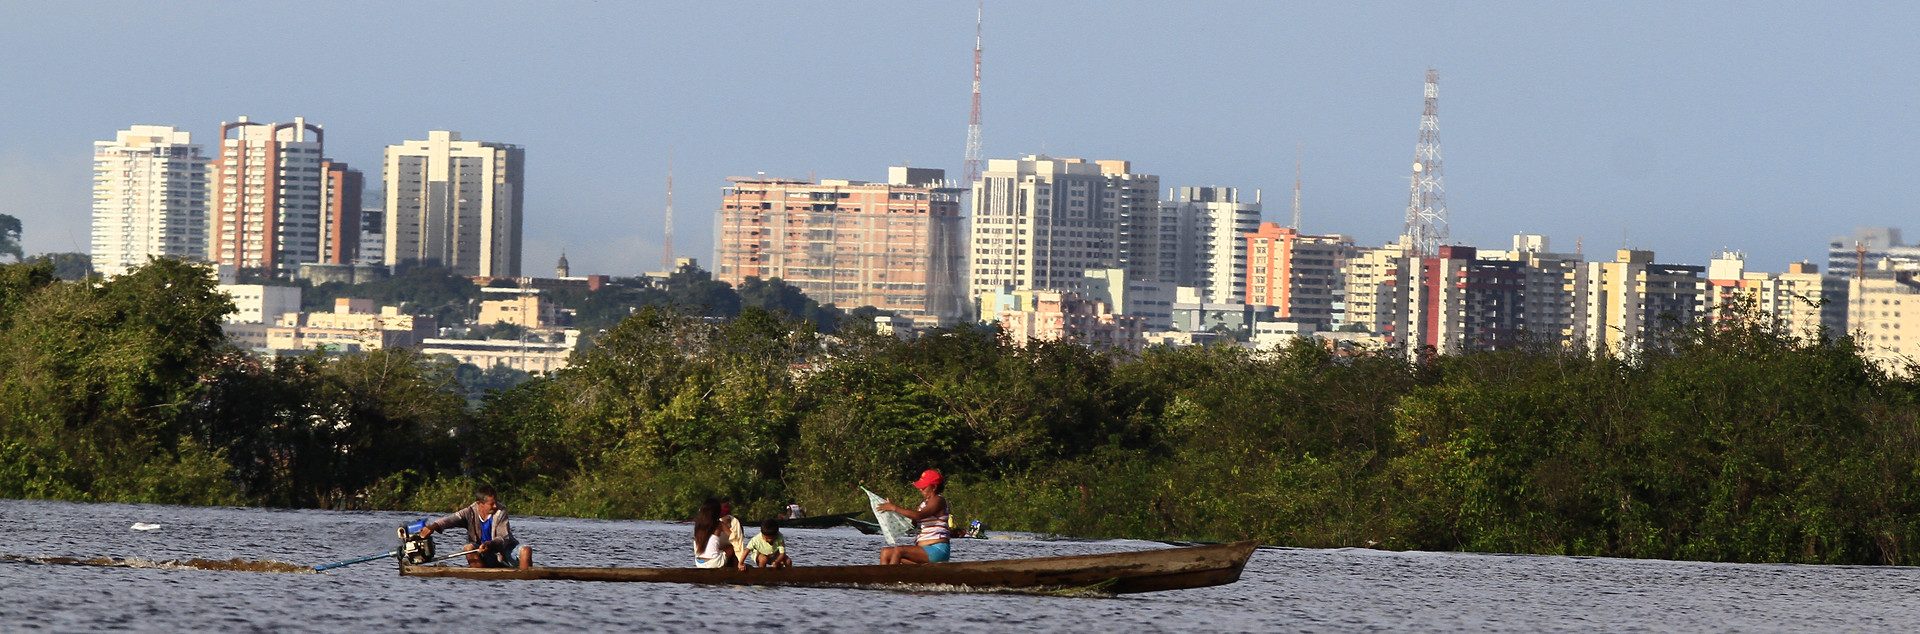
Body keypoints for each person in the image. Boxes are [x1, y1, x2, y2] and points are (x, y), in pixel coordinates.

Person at [416, 485, 532, 570]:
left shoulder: (500, 511)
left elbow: (503, 538)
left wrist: (489, 544)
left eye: (496, 502)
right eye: (491, 504)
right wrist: (432, 527)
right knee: (468, 547)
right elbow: (449, 520)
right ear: (479, 504)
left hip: (504, 549)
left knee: (526, 550)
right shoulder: (469, 512)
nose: (495, 505)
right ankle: (480, 580)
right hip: (483, 552)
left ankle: (522, 585)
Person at [876, 469, 951, 565]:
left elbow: (918, 515)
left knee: (899, 550)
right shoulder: (923, 504)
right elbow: (913, 522)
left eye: (923, 487)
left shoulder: (938, 500)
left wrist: (894, 508)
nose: (920, 489)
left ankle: (891, 578)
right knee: (885, 552)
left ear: (934, 487)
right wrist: (893, 514)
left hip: (937, 550)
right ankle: (883, 578)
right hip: (923, 550)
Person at [692, 498, 735, 569]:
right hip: (714, 563)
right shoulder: (719, 524)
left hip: (699, 562)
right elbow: (734, 537)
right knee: (732, 547)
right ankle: (736, 568)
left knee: (721, 548)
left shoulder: (698, 524)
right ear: (716, 512)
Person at [718, 500, 746, 571]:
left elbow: (739, 544)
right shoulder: (714, 522)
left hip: (731, 552)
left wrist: (741, 562)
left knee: (733, 548)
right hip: (716, 553)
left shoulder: (735, 523)